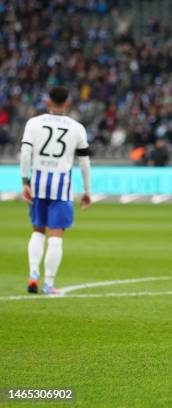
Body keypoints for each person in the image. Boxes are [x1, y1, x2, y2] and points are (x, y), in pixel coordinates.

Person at [20, 86, 91, 295]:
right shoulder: (77, 128)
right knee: (56, 236)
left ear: (48, 102)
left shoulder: (33, 123)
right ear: (67, 103)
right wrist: (87, 190)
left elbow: (25, 153)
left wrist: (25, 181)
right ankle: (49, 284)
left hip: (38, 184)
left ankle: (33, 275)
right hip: (62, 187)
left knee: (37, 231)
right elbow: (84, 163)